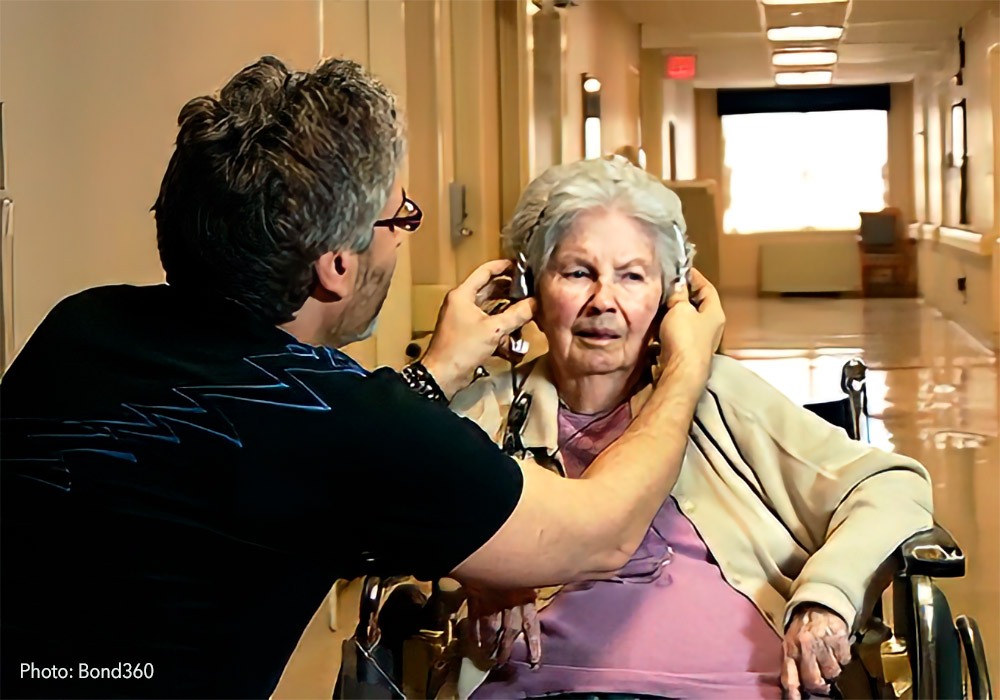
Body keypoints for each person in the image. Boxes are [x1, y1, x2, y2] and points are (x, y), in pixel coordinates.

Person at [0, 57, 725, 699]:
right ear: (336, 266)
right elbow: (597, 532)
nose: (402, 236)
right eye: (398, 218)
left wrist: (436, 371)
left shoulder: (82, 326)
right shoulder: (346, 425)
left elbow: (264, 462)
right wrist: (686, 368)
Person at [448, 157, 935, 700]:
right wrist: (482, 568)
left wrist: (828, 595)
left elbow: (892, 485)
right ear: (530, 288)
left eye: (632, 276)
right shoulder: (487, 412)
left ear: (670, 296)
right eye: (577, 272)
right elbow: (385, 513)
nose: (603, 301)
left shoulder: (718, 396)